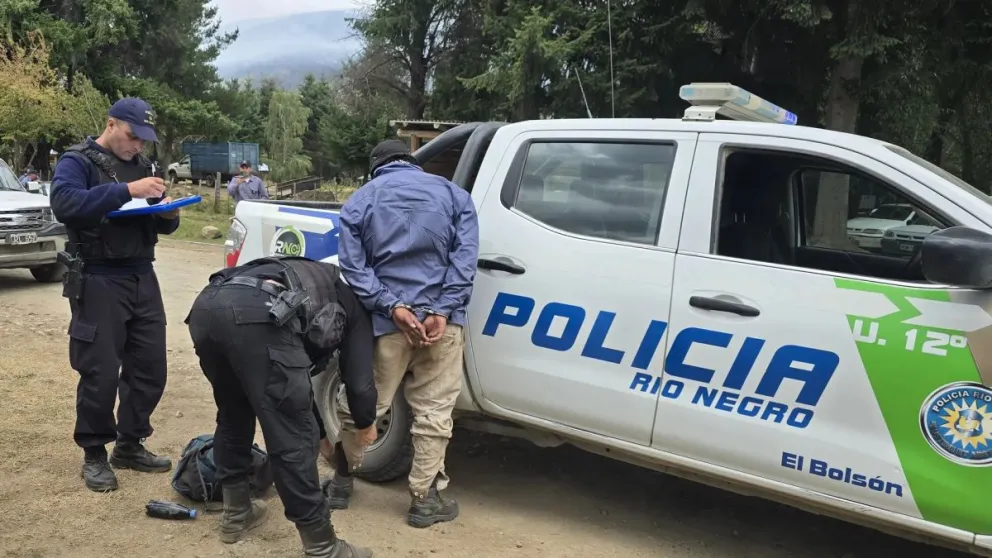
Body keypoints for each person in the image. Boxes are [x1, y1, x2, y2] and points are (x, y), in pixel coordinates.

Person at [329, 139, 479, 528]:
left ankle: (342, 482)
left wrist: (392, 306)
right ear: (412, 163)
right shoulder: (455, 195)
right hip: (441, 328)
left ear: (376, 167)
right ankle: (423, 501)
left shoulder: (362, 199)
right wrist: (442, 311)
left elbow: (353, 266)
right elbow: (465, 262)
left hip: (386, 326)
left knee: (362, 407)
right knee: (434, 412)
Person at [185, 255, 376, 557]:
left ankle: (236, 514)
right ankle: (322, 546)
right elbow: (360, 381)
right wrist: (366, 423)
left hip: (206, 307)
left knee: (234, 413)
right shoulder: (354, 302)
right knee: (292, 436)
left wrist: (322, 433)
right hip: (258, 315)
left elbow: (296, 385)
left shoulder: (315, 276)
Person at [49, 97, 180, 493]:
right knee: (100, 371)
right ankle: (94, 452)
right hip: (98, 278)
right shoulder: (78, 161)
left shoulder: (143, 168)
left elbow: (154, 224)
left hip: (141, 274)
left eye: (144, 140)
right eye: (132, 136)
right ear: (111, 124)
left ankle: (130, 443)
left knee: (150, 367)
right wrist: (126, 190)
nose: (137, 146)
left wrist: (168, 214)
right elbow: (65, 203)